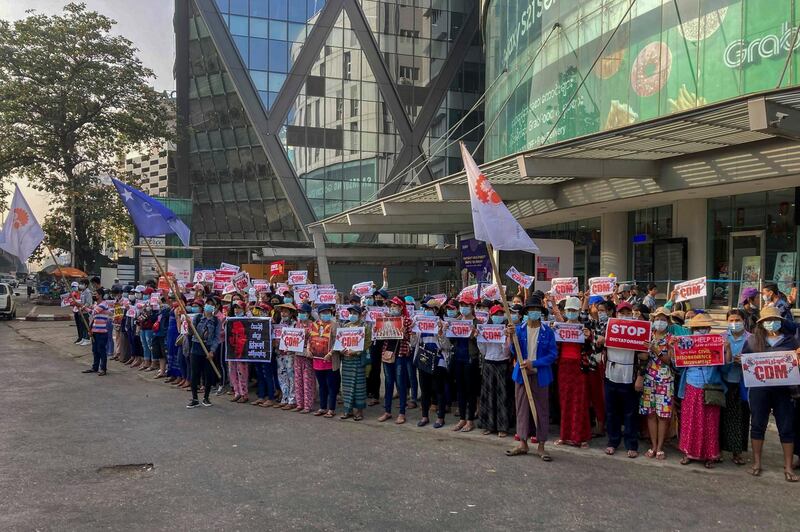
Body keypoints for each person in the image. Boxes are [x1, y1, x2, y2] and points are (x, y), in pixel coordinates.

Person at [742, 306, 800, 482]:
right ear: (761, 323)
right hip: (759, 391)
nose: (770, 323)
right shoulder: (753, 341)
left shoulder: (791, 341)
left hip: (785, 391)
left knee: (786, 428)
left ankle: (788, 466)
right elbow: (745, 361)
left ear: (780, 322)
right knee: (758, 425)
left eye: (773, 321)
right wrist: (741, 361)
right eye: (767, 321)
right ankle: (757, 463)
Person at [505, 295, 557, 460]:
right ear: (526, 312)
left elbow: (553, 355)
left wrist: (534, 363)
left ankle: (541, 446)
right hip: (521, 375)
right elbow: (513, 351)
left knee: (541, 410)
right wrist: (510, 337)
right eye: (531, 310)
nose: (534, 312)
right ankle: (523, 443)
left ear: (541, 312)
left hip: (540, 375)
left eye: (537, 310)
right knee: (522, 409)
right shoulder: (519, 329)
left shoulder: (547, 332)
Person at [677, 313, 729, 468]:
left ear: (709, 328)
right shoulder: (685, 343)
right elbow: (677, 364)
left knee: (710, 422)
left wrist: (726, 350)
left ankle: (710, 455)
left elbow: (725, 367)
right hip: (691, 385)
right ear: (692, 330)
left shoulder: (716, 343)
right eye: (698, 328)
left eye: (704, 328)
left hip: (710, 387)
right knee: (689, 421)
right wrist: (674, 348)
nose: (701, 331)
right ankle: (688, 452)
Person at [551, 296, 591, 448]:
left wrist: (589, 337)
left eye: (574, 310)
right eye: (569, 310)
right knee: (565, 401)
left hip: (579, 368)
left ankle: (580, 437)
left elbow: (591, 347)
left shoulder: (583, 326)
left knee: (579, 402)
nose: (571, 312)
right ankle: (564, 435)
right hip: (564, 368)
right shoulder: (560, 327)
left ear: (578, 311)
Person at [604, 301, 641, 458]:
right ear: (616, 314)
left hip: (629, 376)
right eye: (621, 313)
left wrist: (640, 376)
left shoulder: (638, 330)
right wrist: (599, 341)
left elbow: (643, 357)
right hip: (611, 374)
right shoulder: (608, 327)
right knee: (612, 412)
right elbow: (598, 347)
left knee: (630, 413)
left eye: (627, 313)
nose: (624, 316)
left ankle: (631, 444)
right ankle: (613, 441)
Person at [637, 307, 674, 460]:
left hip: (665, 381)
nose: (660, 322)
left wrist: (656, 349)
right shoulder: (648, 335)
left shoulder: (671, 339)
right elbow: (643, 357)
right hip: (649, 379)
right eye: (657, 319)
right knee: (651, 414)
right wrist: (645, 349)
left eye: (663, 319)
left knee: (663, 415)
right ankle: (653, 445)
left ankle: (660, 447)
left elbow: (669, 361)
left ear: (668, 322)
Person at [477, 304, 514, 437]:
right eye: (495, 314)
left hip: (502, 364)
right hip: (489, 363)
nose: (498, 317)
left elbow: (508, 351)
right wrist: (479, 337)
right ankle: (488, 425)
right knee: (488, 396)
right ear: (491, 316)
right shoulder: (485, 329)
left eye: (500, 314)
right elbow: (482, 350)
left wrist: (506, 338)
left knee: (502, 396)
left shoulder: (507, 330)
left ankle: (502, 427)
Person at [720, 309, 750, 466]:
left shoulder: (751, 339)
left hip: (744, 385)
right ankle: (719, 450)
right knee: (722, 417)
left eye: (737, 320)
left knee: (741, 418)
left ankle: (737, 452)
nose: (734, 323)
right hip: (724, 383)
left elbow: (757, 361)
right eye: (731, 320)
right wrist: (728, 354)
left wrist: (745, 361)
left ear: (744, 321)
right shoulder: (721, 338)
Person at [377, 297, 412, 425]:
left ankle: (402, 412)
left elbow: (411, 339)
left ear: (401, 307)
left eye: (395, 306)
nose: (392, 308)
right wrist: (378, 331)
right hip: (387, 353)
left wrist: (405, 334)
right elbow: (380, 337)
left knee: (400, 383)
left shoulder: (407, 321)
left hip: (400, 354)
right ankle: (387, 411)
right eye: (391, 306)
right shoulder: (385, 319)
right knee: (388, 382)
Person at [415, 299, 450, 428]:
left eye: (430, 309)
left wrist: (441, 333)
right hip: (424, 358)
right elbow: (414, 344)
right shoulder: (420, 324)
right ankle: (424, 416)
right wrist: (413, 333)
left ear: (436, 310)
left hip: (438, 359)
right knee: (425, 390)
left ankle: (440, 418)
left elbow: (446, 346)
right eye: (426, 309)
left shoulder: (444, 324)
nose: (427, 311)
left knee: (439, 390)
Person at [449, 295, 480, 433]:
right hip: (458, 358)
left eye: (466, 305)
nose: (463, 308)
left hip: (470, 359)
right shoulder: (456, 321)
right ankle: (462, 418)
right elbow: (451, 341)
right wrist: (446, 330)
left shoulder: (477, 323)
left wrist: (475, 336)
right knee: (460, 389)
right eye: (462, 305)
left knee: (470, 390)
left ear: (472, 307)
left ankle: (470, 420)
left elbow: (481, 344)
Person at [336, 304, 369, 421]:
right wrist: (341, 350)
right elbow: (339, 342)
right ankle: (347, 410)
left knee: (359, 386)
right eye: (351, 313)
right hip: (346, 361)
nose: (352, 315)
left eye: (355, 313)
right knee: (347, 385)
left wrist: (355, 352)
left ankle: (359, 411)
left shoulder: (364, 326)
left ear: (360, 315)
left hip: (358, 360)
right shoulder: (345, 326)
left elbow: (367, 343)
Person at [186, 297, 220, 408]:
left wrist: (212, 351)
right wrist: (189, 325)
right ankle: (195, 398)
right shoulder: (197, 317)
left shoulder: (216, 321)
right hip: (196, 347)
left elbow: (216, 338)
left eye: (212, 304)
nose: (209, 306)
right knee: (194, 373)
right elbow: (191, 333)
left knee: (208, 374)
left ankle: (206, 397)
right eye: (208, 303)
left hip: (208, 349)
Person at [309, 304, 339, 418]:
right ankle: (322, 407)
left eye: (328, 312)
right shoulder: (314, 325)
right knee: (321, 385)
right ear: (319, 314)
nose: (325, 314)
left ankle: (331, 409)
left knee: (331, 386)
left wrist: (330, 353)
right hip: (317, 361)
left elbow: (338, 341)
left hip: (330, 361)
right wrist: (308, 350)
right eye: (323, 312)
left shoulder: (335, 325)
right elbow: (310, 339)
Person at [271, 303, 297, 410]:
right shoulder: (279, 324)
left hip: (290, 354)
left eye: (286, 311)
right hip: (279, 353)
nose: (283, 313)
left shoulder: (295, 324)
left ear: (291, 313)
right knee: (282, 376)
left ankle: (292, 400)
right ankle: (285, 398)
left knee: (292, 377)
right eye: (282, 311)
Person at [293, 304, 316, 414]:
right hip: (297, 355)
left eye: (303, 312)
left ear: (308, 314)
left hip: (307, 356)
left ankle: (308, 405)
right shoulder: (297, 325)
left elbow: (314, 339)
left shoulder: (313, 325)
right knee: (298, 380)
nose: (301, 314)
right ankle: (299, 403)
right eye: (300, 312)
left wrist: (309, 348)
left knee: (308, 380)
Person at [227, 300, 250, 404]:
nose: (236, 310)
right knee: (232, 371)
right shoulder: (230, 319)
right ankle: (237, 392)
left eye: (239, 308)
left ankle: (244, 393)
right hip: (232, 349)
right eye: (235, 308)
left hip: (242, 349)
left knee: (242, 372)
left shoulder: (247, 319)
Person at [82, 301, 111, 375]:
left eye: (97, 294)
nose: (95, 295)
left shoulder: (103, 305)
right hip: (95, 331)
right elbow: (93, 319)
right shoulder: (96, 305)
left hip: (102, 331)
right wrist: (90, 329)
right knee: (95, 350)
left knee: (101, 350)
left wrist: (84, 307)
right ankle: (95, 367)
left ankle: (103, 369)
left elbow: (93, 312)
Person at [150, 296, 170, 379]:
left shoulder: (167, 311)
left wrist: (162, 305)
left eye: (164, 302)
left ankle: (168, 371)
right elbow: (153, 319)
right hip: (156, 334)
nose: (161, 303)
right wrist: (151, 309)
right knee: (159, 354)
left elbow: (166, 312)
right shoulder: (159, 312)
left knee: (165, 353)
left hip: (164, 334)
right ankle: (162, 371)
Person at [77, 278, 93, 346]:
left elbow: (88, 303)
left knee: (86, 325)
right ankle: (83, 338)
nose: (80, 285)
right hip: (81, 311)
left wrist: (83, 307)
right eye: (80, 284)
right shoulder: (82, 292)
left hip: (86, 312)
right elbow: (81, 301)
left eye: (82, 284)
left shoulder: (88, 292)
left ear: (86, 285)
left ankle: (87, 339)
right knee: (82, 326)